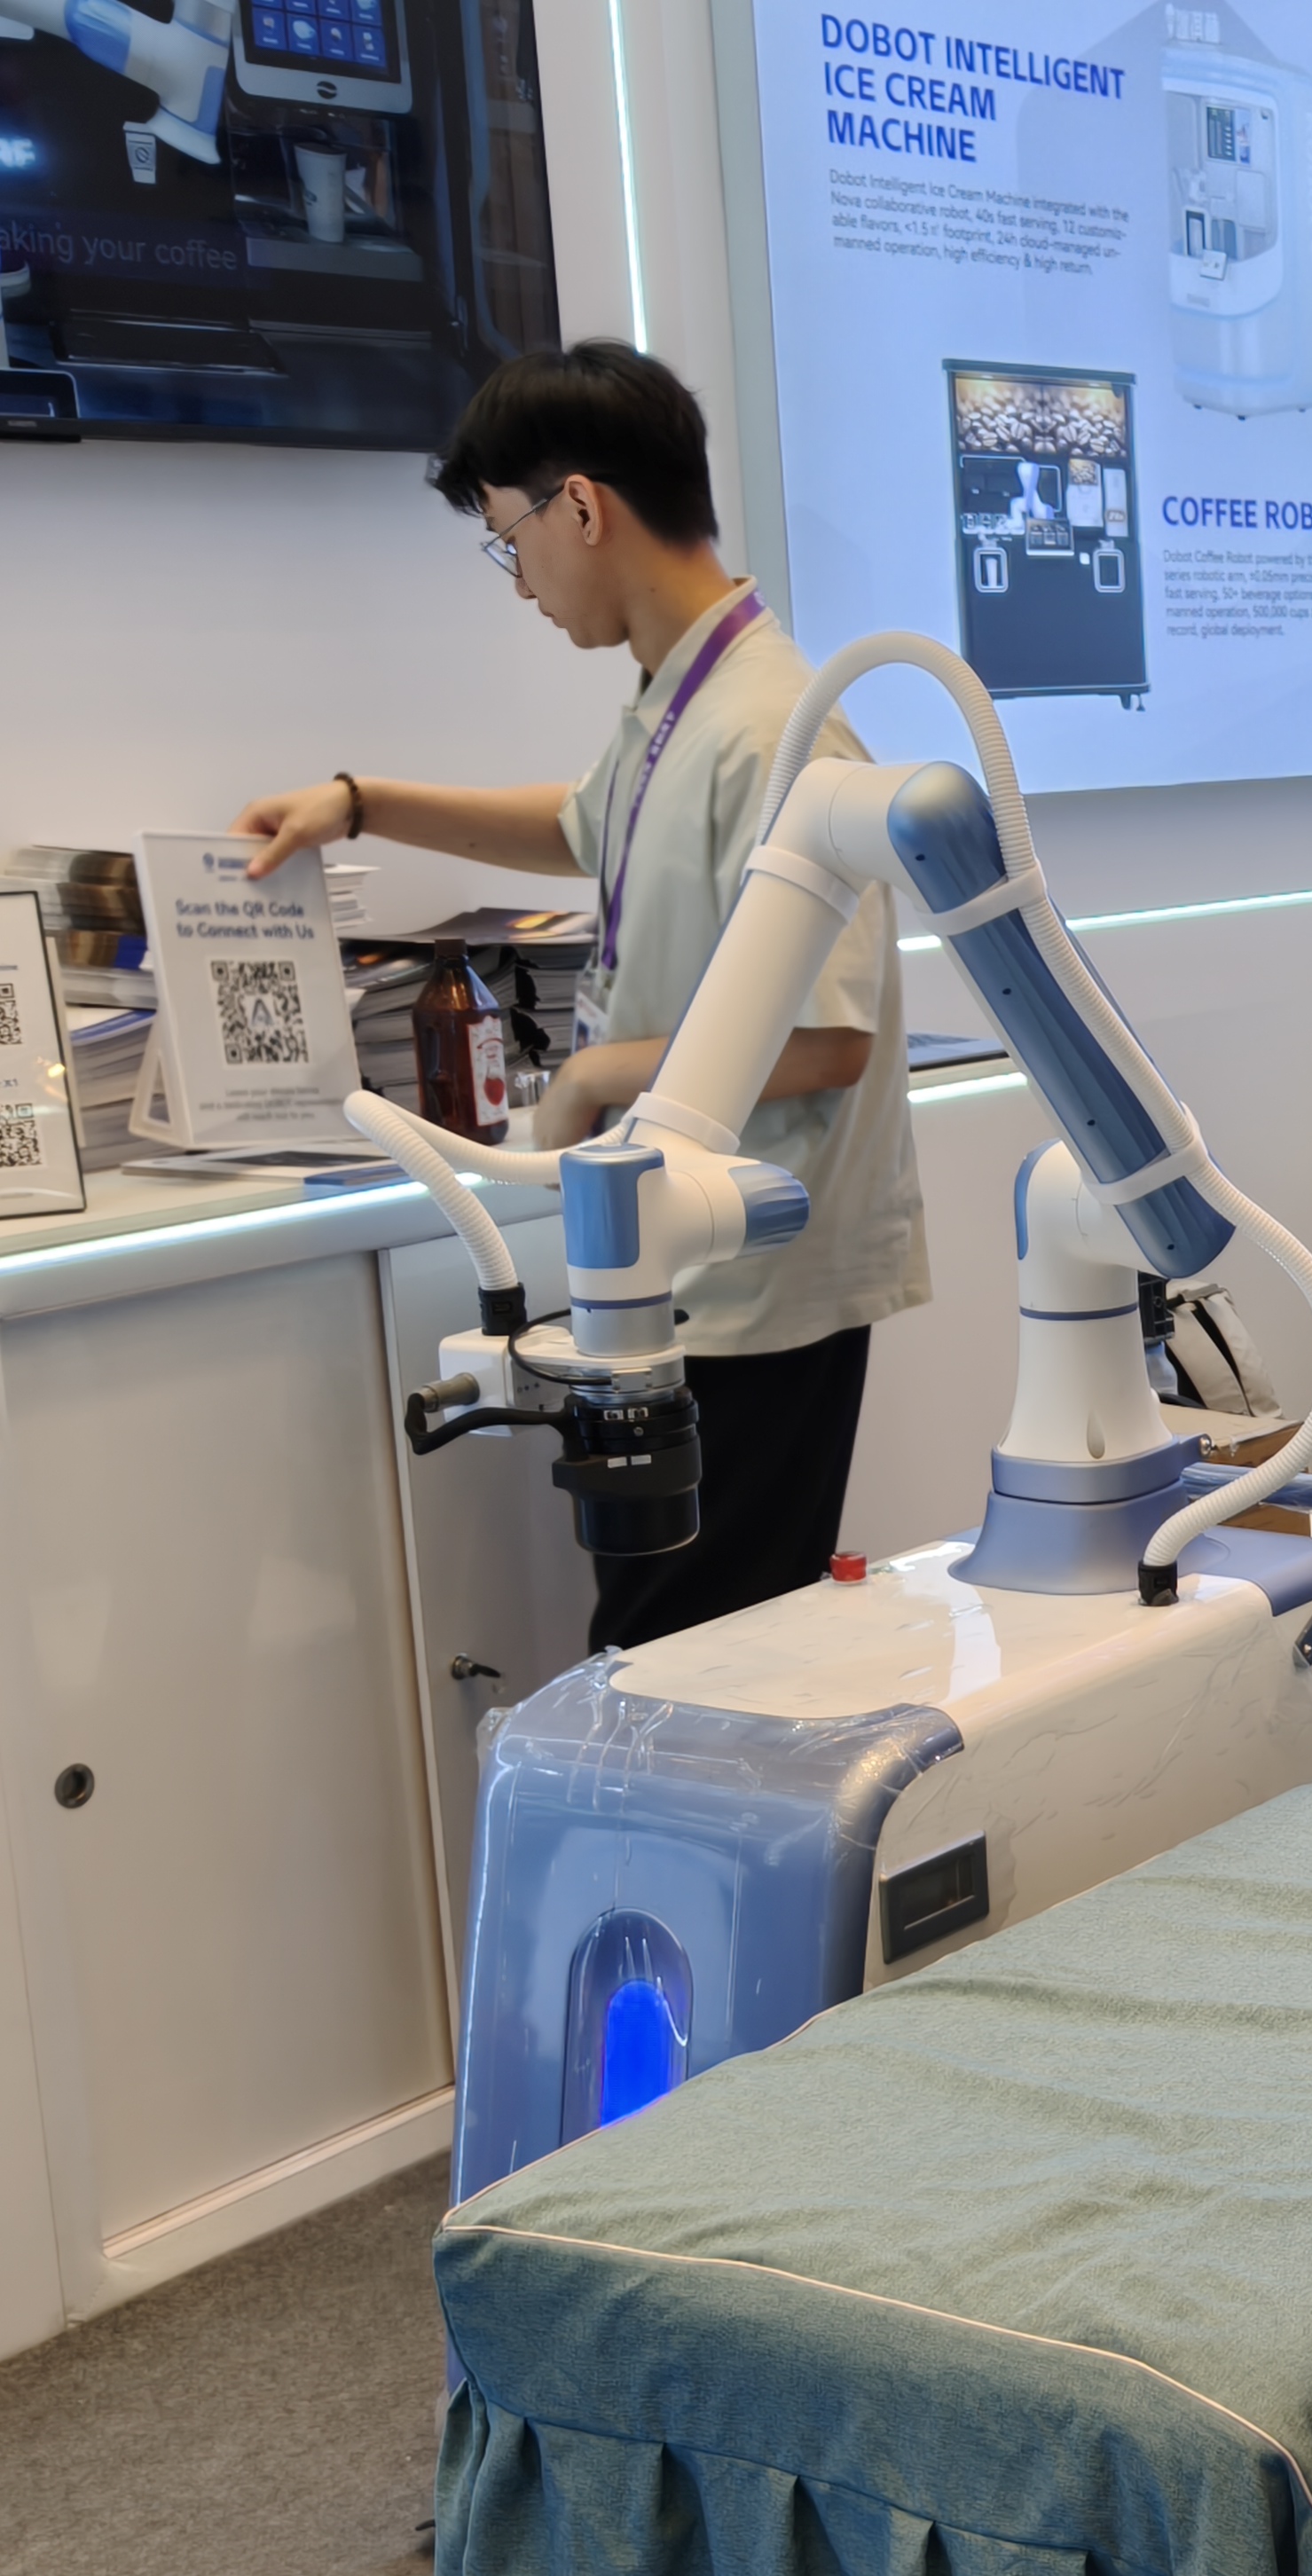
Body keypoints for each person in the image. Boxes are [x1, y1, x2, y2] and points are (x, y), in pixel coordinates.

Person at [232, 342, 925, 1653]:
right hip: (680, 1268)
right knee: (670, 1640)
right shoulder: (682, 699)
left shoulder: (773, 727)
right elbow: (580, 825)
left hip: (753, 1283)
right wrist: (361, 804)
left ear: (584, 508)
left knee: (694, 1652)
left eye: (511, 541)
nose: (521, 583)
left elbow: (832, 1041)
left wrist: (600, 1077)